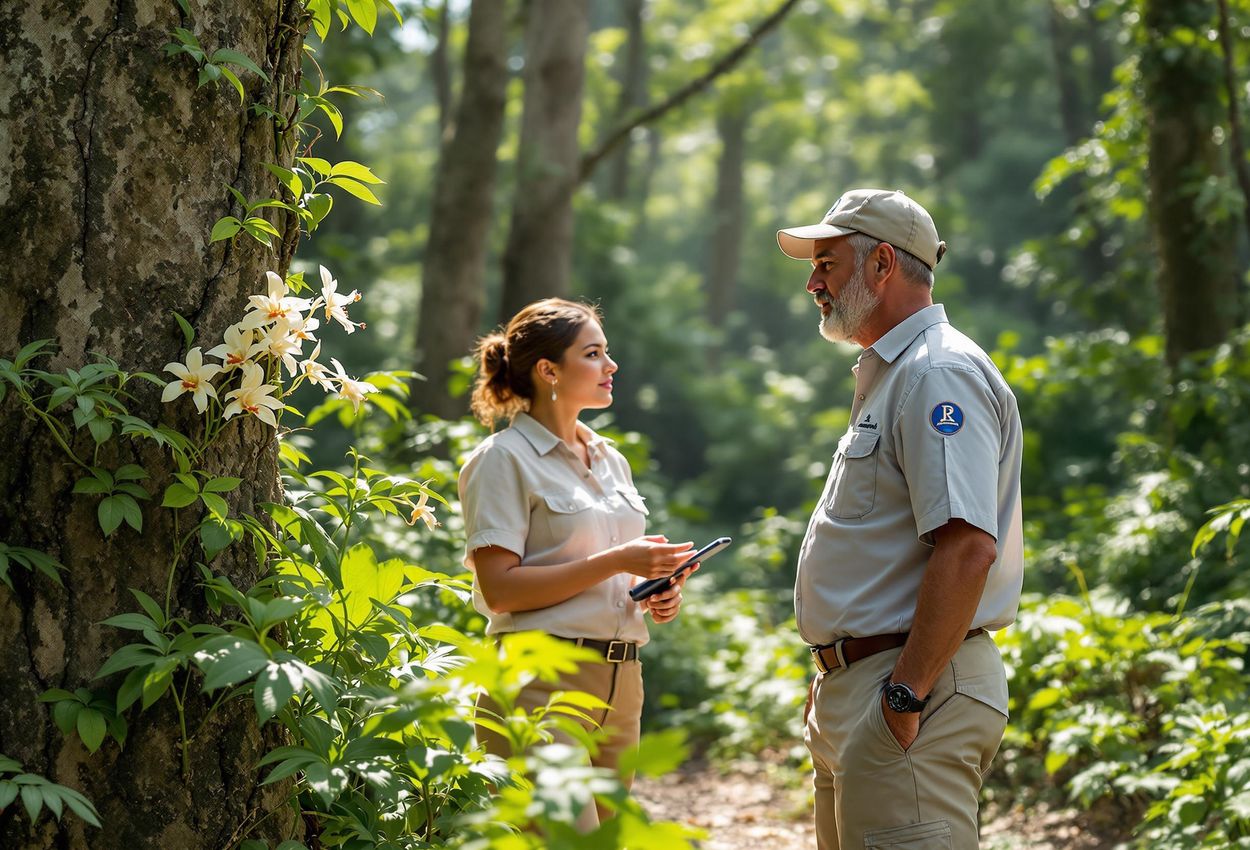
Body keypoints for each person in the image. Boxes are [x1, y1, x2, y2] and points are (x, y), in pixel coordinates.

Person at [775, 189, 1024, 849]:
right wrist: (835, 674)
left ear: (882, 263)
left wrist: (903, 697)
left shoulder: (937, 373)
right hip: (863, 695)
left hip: (912, 696)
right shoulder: (895, 375)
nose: (812, 283)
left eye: (826, 264)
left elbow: (968, 547)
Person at [458, 297, 697, 832]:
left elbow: (613, 577)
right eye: (593, 354)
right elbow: (500, 590)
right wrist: (616, 559)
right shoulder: (501, 460)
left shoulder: (611, 459)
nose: (611, 366)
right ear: (549, 371)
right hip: (540, 685)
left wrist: (656, 588)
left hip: (622, 682)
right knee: (570, 842)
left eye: (606, 353)